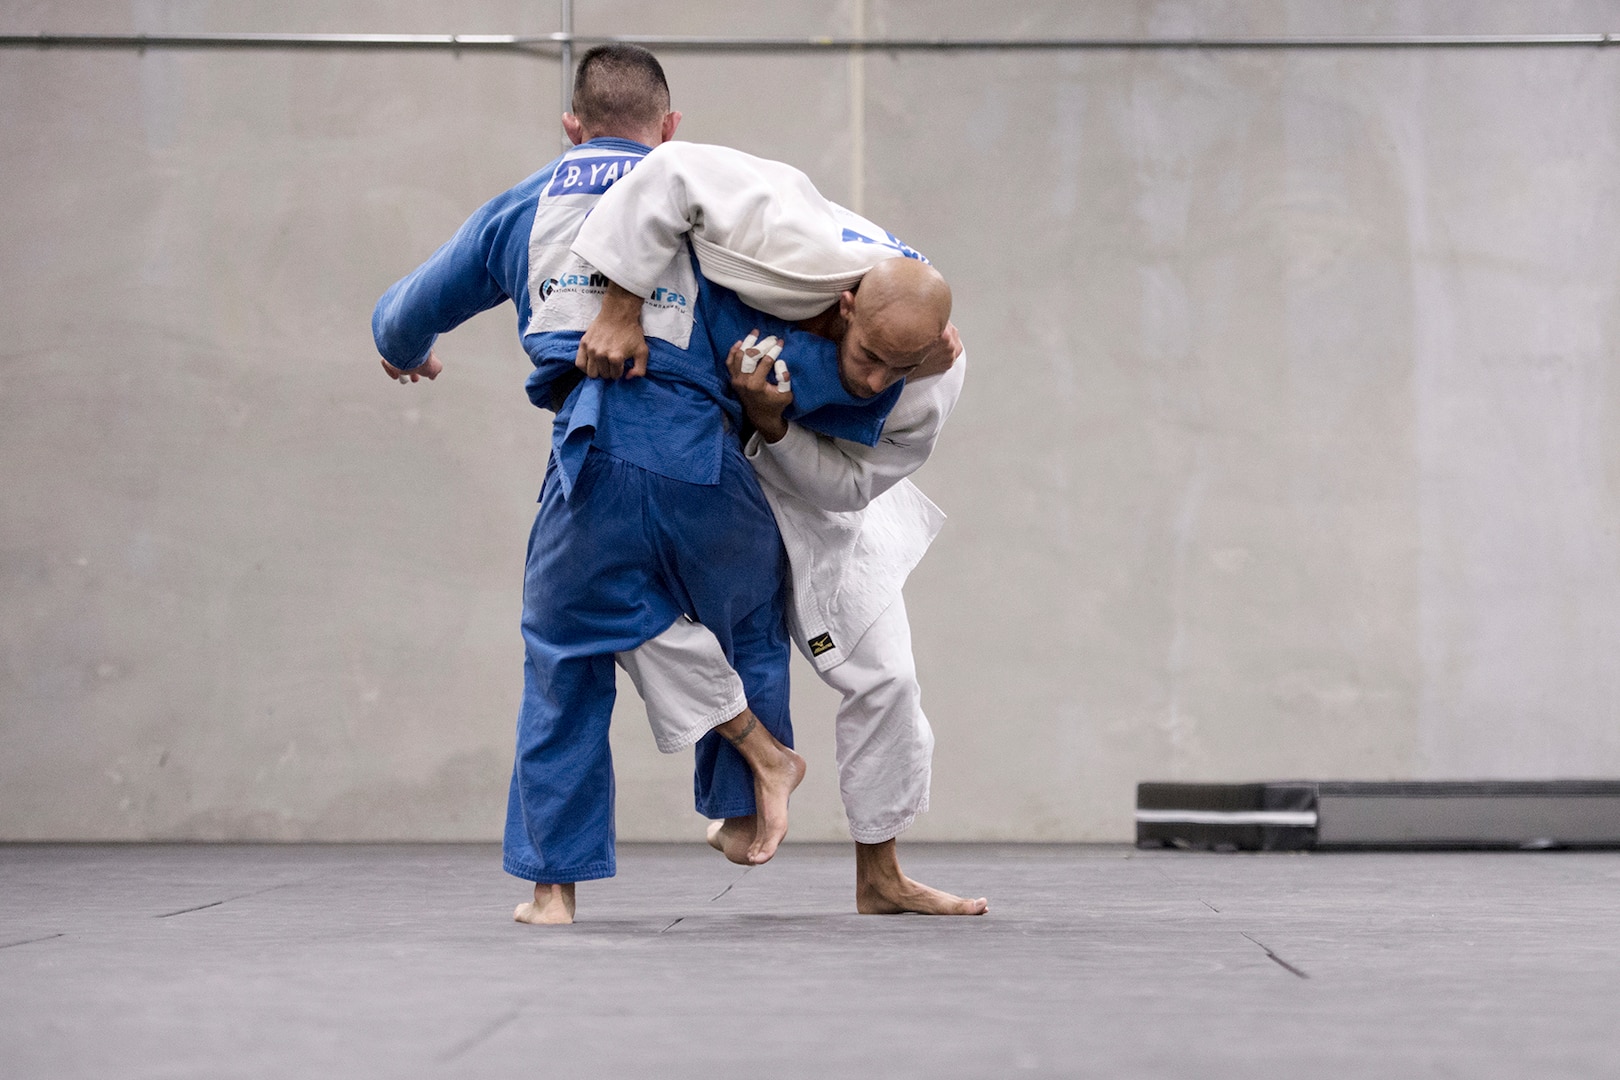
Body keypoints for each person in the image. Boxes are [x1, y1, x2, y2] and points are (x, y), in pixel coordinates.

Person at [370, 45, 903, 925]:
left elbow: (404, 312)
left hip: (597, 454)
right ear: (670, 130)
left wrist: (405, 350)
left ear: (571, 127)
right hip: (709, 462)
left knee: (566, 655)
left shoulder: (519, 210)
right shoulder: (712, 212)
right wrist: (892, 368)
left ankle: (554, 886)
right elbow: (812, 336)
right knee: (751, 622)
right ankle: (741, 805)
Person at [574, 144, 987, 915]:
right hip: (697, 465)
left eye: (898, 369)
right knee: (613, 604)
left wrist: (773, 423)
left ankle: (881, 875)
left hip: (819, 498)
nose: (873, 382)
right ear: (848, 305)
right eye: (865, 356)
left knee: (888, 677)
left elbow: (852, 486)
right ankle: (754, 755)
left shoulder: (935, 379)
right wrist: (618, 307)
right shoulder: (795, 240)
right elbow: (668, 171)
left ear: (935, 346)